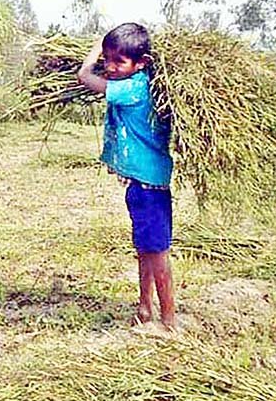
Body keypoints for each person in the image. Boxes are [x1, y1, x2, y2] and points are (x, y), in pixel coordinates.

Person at [77, 23, 176, 330]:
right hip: (141, 186)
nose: (110, 67)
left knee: (157, 255)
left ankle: (170, 322)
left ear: (141, 63)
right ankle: (145, 308)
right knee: (145, 250)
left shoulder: (134, 87)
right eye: (107, 59)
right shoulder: (135, 81)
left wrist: (93, 52)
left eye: (118, 61)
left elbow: (84, 78)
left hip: (150, 188)